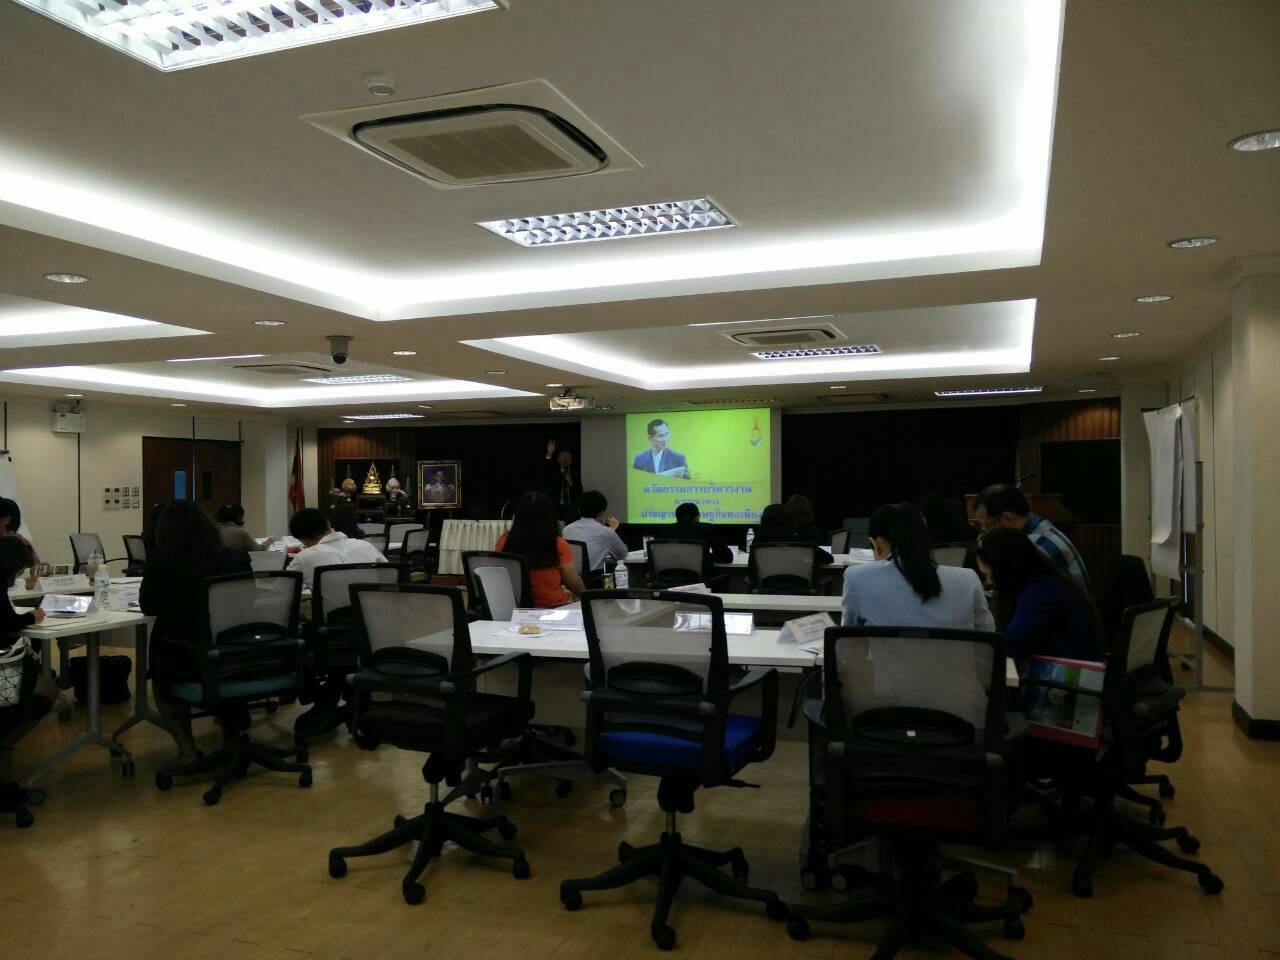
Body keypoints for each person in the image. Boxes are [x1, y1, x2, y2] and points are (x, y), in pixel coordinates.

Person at [139, 499, 252, 762]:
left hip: (185, 658)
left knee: (160, 676)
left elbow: (149, 606)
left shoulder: (162, 560)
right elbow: (248, 602)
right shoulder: (236, 557)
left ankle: (188, 752)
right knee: (221, 675)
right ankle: (232, 738)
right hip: (235, 652)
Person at [841, 503, 994, 631]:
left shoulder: (857, 578)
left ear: (876, 545)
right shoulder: (968, 580)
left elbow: (847, 648)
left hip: (885, 660)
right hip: (957, 660)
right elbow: (988, 643)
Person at [975, 527, 1104, 662]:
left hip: (1065, 671)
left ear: (1005, 570)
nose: (988, 582)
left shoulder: (1040, 593)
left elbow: (1012, 647)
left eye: (990, 576)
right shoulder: (1046, 581)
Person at [0, 537, 58, 790]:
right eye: (18, 571)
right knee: (47, 690)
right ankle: (4, 746)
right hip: (4, 672)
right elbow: (4, 623)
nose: (18, 576)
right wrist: (30, 617)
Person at [973, 483, 1090, 588]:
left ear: (1007, 518)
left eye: (986, 527)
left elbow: (1009, 596)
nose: (985, 533)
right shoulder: (1040, 531)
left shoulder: (1035, 546)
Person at [496, 491, 585, 608]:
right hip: (553, 609)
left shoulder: (504, 541)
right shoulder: (557, 544)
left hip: (515, 610)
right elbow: (574, 584)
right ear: (550, 516)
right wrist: (585, 594)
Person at [287, 507, 387, 588]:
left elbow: (285, 589)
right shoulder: (366, 546)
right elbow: (390, 576)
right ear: (328, 524)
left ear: (303, 540)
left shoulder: (304, 558)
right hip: (375, 606)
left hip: (331, 608)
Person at [749, 502, 832, 586]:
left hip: (765, 590)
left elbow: (751, 568)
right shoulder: (798, 540)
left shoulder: (758, 541)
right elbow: (828, 559)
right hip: (800, 590)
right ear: (788, 520)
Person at [562, 490, 629, 572]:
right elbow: (622, 555)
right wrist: (612, 529)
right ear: (601, 512)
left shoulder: (567, 529)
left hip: (571, 577)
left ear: (579, 510)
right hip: (594, 578)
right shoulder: (606, 532)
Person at [671, 501, 732, 569]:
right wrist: (705, 556)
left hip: (671, 574)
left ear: (677, 518)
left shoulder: (665, 530)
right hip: (702, 575)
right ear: (697, 517)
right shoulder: (707, 528)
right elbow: (726, 558)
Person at [542, 441, 582, 518]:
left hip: (571, 507)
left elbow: (579, 491)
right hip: (556, 506)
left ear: (570, 460)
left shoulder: (575, 473)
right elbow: (546, 468)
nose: (565, 460)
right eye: (562, 458)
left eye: (567, 458)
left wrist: (570, 482)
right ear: (558, 460)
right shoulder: (554, 472)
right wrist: (549, 453)